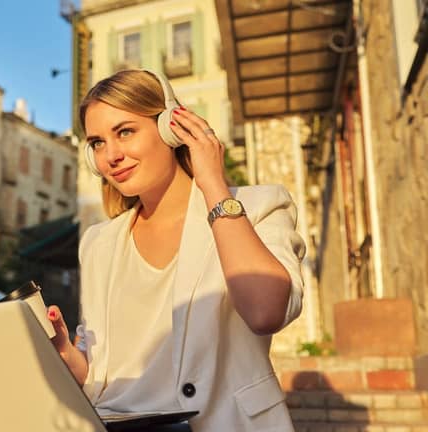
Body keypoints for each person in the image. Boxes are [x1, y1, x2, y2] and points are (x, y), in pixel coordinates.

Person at [46, 69, 304, 431]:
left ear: (171, 128)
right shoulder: (98, 243)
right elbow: (103, 376)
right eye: (97, 143)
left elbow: (266, 312)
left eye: (125, 132)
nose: (111, 156)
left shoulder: (258, 207)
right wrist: (67, 357)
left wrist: (213, 183)